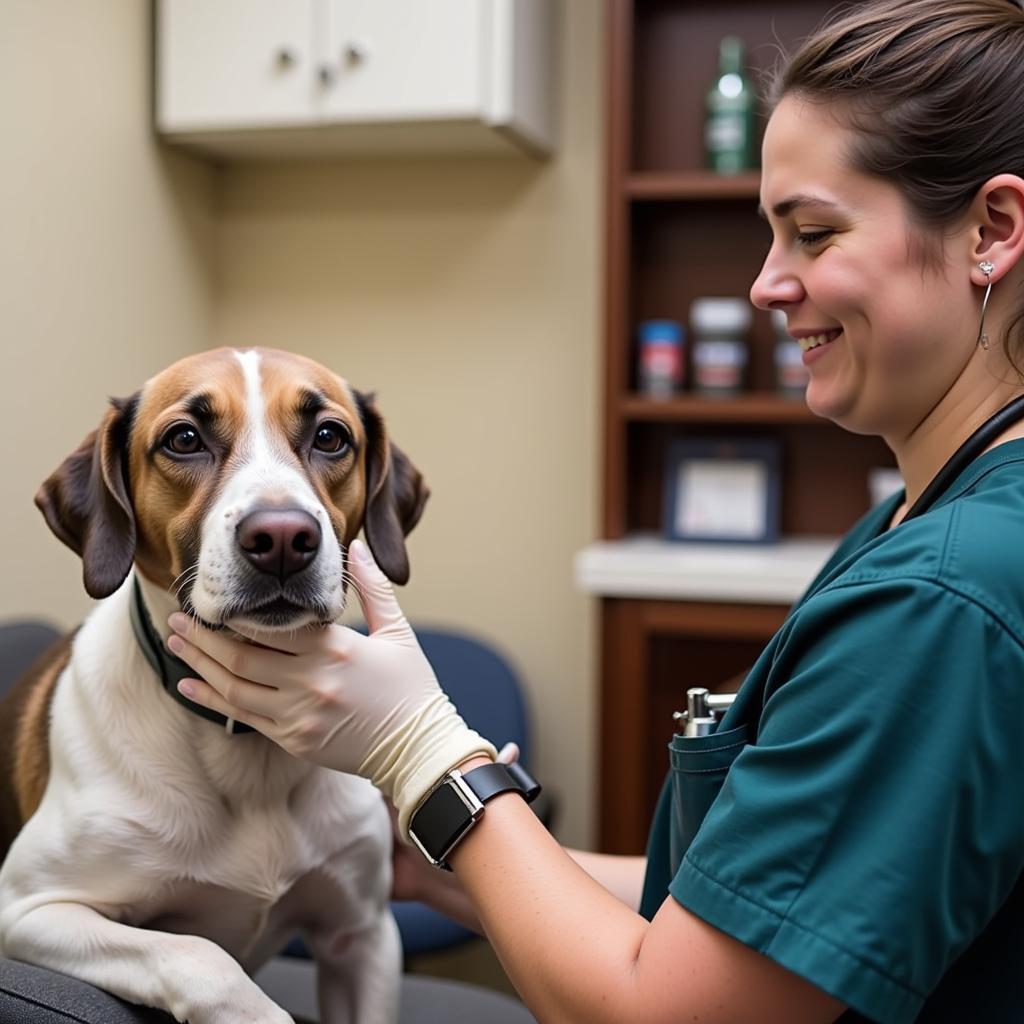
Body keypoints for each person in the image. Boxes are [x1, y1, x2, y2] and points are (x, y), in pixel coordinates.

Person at [165, 1, 1024, 1020]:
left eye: (812, 232)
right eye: (768, 236)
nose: (764, 284)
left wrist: (422, 751)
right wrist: (440, 851)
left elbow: (671, 1008)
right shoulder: (917, 524)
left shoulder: (945, 598)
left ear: (991, 230)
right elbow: (740, 912)